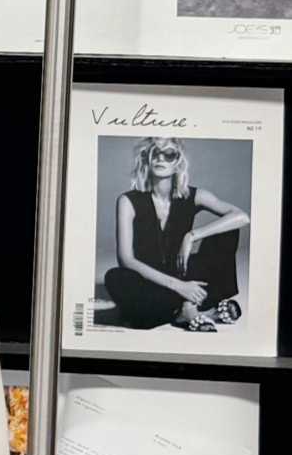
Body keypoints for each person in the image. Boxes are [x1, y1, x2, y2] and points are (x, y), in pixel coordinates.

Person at [102, 137, 249, 333]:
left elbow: (241, 217)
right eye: (155, 153)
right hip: (151, 282)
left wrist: (192, 236)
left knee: (227, 231)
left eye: (169, 154)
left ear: (178, 162)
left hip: (184, 272)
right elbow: (126, 260)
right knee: (114, 276)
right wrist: (178, 286)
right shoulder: (128, 201)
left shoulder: (193, 195)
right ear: (147, 159)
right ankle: (192, 310)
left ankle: (186, 309)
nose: (160, 158)